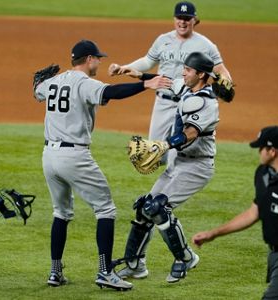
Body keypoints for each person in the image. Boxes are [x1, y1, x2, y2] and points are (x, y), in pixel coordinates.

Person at [33, 39, 169, 291]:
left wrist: (38, 83)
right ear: (88, 59)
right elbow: (111, 93)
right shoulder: (84, 83)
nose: (99, 61)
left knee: (60, 212)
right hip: (74, 156)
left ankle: (55, 272)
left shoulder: (52, 82)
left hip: (48, 156)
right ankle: (105, 272)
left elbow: (37, 90)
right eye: (97, 58)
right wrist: (145, 84)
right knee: (105, 209)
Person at [116, 52, 223, 283]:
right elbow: (165, 80)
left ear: (201, 75)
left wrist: (164, 145)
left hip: (197, 166)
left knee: (158, 207)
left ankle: (185, 258)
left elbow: (191, 133)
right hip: (179, 162)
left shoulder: (207, 103)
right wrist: (137, 73)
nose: (183, 72)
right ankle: (135, 264)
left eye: (188, 69)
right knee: (144, 206)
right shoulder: (186, 87)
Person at [192, 125, 278, 299]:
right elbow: (254, 213)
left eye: (261, 148)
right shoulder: (263, 174)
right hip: (277, 255)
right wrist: (213, 234)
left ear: (272, 151)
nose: (259, 152)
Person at [109, 1, 232, 147]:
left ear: (194, 20)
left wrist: (227, 83)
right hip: (163, 101)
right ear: (174, 19)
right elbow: (148, 61)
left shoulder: (206, 45)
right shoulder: (163, 40)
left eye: (186, 18)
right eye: (179, 17)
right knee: (155, 150)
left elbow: (220, 69)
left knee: (180, 149)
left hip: (189, 103)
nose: (182, 22)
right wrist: (124, 68)